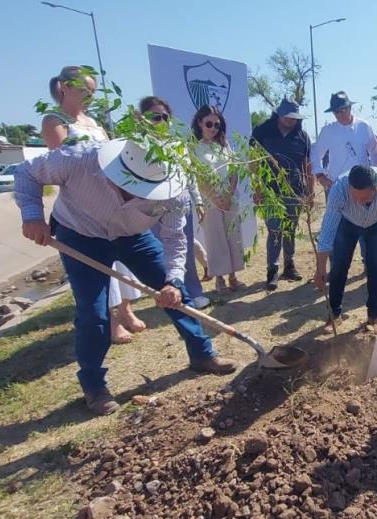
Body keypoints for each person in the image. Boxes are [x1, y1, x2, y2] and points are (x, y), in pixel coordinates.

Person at [14, 139, 237, 415]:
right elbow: (26, 172)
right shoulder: (80, 159)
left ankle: (203, 355)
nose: (135, 196)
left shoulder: (174, 190)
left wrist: (173, 281)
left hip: (134, 237)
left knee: (178, 295)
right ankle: (94, 386)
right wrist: (33, 216)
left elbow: (175, 240)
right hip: (80, 234)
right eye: (131, 188)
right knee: (94, 313)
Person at [40, 66, 146, 344]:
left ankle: (126, 310)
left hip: (110, 203)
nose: (90, 96)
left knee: (122, 264)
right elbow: (64, 162)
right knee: (101, 269)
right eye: (84, 91)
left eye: (93, 92)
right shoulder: (55, 121)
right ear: (65, 87)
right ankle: (112, 323)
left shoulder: (93, 122)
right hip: (82, 207)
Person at [313, 165, 377, 332]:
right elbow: (328, 230)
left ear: (376, 189)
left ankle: (373, 316)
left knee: (376, 266)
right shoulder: (339, 189)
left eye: (364, 199)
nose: (359, 202)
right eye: (355, 197)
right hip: (347, 224)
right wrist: (320, 268)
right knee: (339, 266)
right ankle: (334, 314)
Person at [140, 96, 210, 309]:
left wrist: (197, 201)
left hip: (180, 206)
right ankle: (168, 294)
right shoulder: (136, 145)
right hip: (150, 209)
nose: (160, 120)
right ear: (142, 118)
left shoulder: (177, 145)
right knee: (159, 252)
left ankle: (193, 292)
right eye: (155, 116)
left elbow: (188, 176)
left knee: (184, 249)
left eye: (165, 117)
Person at [251, 97, 314, 291]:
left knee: (290, 230)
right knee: (274, 230)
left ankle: (289, 265)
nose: (290, 120)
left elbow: (307, 166)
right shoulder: (262, 132)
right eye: (286, 116)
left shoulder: (302, 136)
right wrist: (257, 189)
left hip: (294, 191)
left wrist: (309, 192)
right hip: (270, 192)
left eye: (293, 117)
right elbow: (252, 163)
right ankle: (272, 270)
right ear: (278, 114)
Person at [192, 105, 247, 292]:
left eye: (217, 124)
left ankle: (233, 276)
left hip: (230, 198)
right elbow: (198, 178)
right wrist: (214, 198)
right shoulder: (194, 148)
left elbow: (233, 171)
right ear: (200, 123)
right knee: (215, 238)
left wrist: (229, 194)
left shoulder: (224, 144)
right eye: (209, 123)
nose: (213, 128)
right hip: (210, 201)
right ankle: (220, 278)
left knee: (233, 235)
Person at [309, 91, 377, 191]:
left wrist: (374, 174)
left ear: (350, 108)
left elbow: (374, 151)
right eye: (336, 112)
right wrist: (320, 176)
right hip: (336, 186)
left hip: (362, 186)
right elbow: (315, 153)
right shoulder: (328, 131)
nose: (339, 114)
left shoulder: (364, 126)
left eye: (342, 110)